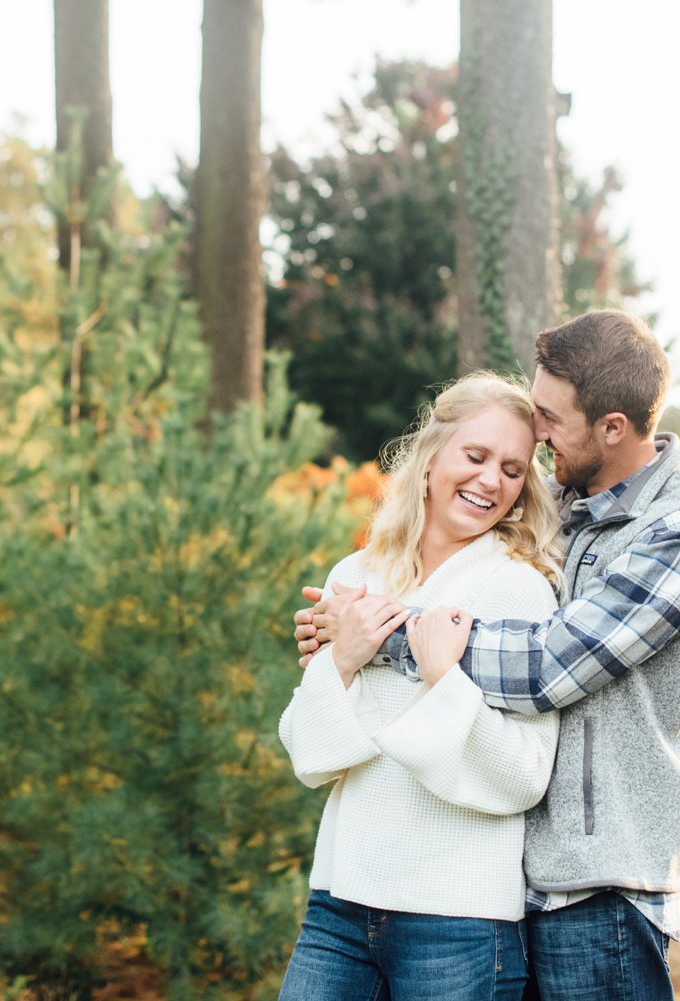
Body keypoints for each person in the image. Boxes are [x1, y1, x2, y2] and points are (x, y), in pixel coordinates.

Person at [296, 310, 680, 1001]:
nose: (534, 438)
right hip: (521, 875)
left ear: (612, 427)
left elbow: (549, 665)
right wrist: (340, 636)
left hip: (602, 882)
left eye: (548, 420)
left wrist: (377, 635)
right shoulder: (567, 505)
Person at [277, 372, 567, 1001]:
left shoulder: (516, 588)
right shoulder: (354, 576)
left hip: (458, 921)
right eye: (476, 455)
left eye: (513, 469)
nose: (492, 479)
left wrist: (444, 681)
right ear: (433, 454)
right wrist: (344, 660)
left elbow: (524, 776)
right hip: (339, 903)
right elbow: (309, 755)